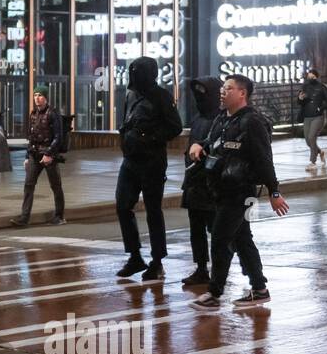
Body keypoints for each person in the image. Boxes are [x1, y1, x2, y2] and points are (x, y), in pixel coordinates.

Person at [188, 76, 289, 312]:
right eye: (223, 88)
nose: (223, 92)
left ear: (242, 93)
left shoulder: (252, 122)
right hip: (221, 189)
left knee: (221, 239)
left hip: (241, 191)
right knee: (242, 239)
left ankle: (214, 293)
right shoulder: (223, 118)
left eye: (229, 88)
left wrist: (274, 192)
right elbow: (214, 142)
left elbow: (264, 160)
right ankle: (260, 289)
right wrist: (199, 144)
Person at [115, 57, 182, 280]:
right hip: (130, 159)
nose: (134, 75)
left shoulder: (161, 96)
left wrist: (150, 137)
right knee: (123, 205)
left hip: (152, 161)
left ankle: (157, 261)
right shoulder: (130, 94)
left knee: (153, 211)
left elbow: (175, 126)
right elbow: (126, 119)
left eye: (138, 71)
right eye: (132, 71)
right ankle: (135, 256)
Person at [179, 76, 224, 287]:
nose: (199, 98)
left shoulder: (221, 119)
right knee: (196, 228)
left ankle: (220, 267)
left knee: (217, 229)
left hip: (212, 184)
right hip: (195, 182)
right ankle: (201, 267)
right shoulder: (198, 119)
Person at [10, 86, 66, 227]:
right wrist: (27, 156)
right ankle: (24, 218)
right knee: (28, 185)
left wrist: (49, 154)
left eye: (40, 95)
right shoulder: (33, 114)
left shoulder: (53, 114)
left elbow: (58, 137)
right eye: (35, 95)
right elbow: (31, 137)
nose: (37, 98)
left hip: (48, 155)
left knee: (56, 186)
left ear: (46, 97)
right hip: (35, 155)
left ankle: (59, 216)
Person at [296, 69, 327, 169]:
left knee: (312, 137)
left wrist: (320, 108)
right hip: (307, 116)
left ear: (316, 76)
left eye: (312, 76)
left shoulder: (322, 87)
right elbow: (299, 102)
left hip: (318, 116)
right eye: (309, 76)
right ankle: (321, 152)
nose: (310, 78)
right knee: (308, 141)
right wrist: (300, 98)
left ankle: (313, 162)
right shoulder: (305, 87)